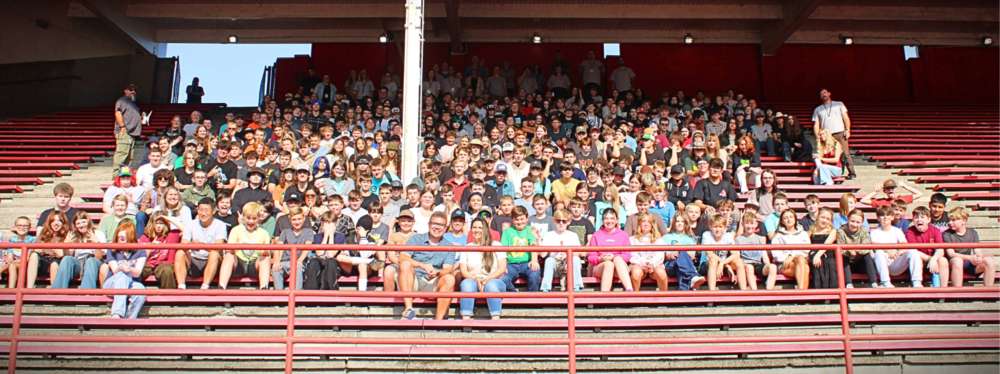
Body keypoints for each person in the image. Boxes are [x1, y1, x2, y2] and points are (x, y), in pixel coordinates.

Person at [399, 211, 456, 320]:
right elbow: (402, 257)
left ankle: (438, 321)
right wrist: (422, 265)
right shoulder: (415, 239)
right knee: (405, 264)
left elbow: (448, 268)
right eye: (435, 224)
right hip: (412, 279)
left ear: (445, 228)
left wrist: (437, 273)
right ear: (429, 225)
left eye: (441, 225)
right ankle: (409, 310)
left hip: (433, 281)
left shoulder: (449, 246)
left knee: (449, 278)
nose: (437, 227)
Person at [459, 217, 507, 320]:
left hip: (494, 280)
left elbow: (502, 268)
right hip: (473, 279)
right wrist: (476, 279)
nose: (477, 230)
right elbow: (463, 271)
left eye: (480, 227)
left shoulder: (496, 245)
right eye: (474, 227)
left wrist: (487, 279)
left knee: (491, 285)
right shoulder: (466, 248)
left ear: (485, 229)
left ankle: (495, 321)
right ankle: (466, 320)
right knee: (466, 284)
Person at [219, 202, 273, 290]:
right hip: (239, 263)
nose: (251, 221)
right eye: (248, 218)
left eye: (254, 218)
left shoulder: (263, 233)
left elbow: (267, 253)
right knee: (229, 256)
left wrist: (264, 251)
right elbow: (228, 250)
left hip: (254, 264)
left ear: (258, 218)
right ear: (243, 217)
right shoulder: (236, 230)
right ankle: (221, 286)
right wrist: (236, 247)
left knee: (265, 259)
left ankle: (264, 287)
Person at [177, 198, 226, 289]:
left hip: (210, 261)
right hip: (194, 259)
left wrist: (202, 245)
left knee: (214, 254)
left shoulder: (220, 225)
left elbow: (218, 247)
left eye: (207, 210)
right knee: (180, 252)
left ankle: (205, 286)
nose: (203, 214)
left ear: (213, 211)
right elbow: (184, 244)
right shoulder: (191, 224)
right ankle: (181, 286)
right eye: (200, 210)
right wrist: (192, 244)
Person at [103, 222, 147, 319]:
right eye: (118, 237)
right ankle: (117, 313)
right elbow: (115, 270)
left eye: (122, 238)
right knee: (123, 275)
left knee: (141, 291)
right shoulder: (112, 249)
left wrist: (129, 269)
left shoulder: (140, 250)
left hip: (132, 283)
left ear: (130, 237)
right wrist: (122, 268)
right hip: (112, 283)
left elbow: (137, 272)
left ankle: (130, 320)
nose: (119, 240)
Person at [871, 205, 922, 288]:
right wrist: (888, 250)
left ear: (892, 217)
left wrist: (898, 253)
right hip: (881, 262)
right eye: (882, 215)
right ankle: (886, 283)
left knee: (913, 250)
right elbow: (874, 246)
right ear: (878, 218)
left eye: (888, 215)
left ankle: (917, 282)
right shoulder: (874, 232)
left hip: (896, 261)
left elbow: (904, 244)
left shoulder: (897, 231)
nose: (885, 217)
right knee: (879, 252)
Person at [52, 212, 105, 289]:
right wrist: (66, 245)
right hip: (79, 261)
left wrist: (97, 243)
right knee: (66, 259)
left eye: (83, 222)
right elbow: (68, 255)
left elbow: (99, 257)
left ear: (88, 221)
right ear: (75, 226)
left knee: (90, 261)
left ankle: (87, 292)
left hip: (94, 262)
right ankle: (58, 291)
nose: (81, 225)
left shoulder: (98, 234)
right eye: (78, 223)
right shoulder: (73, 236)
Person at [943, 207, 994, 287]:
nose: (950, 223)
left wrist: (978, 257)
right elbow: (951, 254)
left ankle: (989, 294)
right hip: (953, 263)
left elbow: (978, 250)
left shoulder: (973, 233)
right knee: (957, 260)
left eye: (953, 220)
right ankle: (957, 295)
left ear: (964, 221)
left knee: (989, 261)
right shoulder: (947, 234)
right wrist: (969, 258)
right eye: (950, 220)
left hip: (968, 262)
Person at [812, 88, 855, 179]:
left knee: (845, 154)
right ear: (820, 97)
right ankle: (834, 171)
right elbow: (816, 125)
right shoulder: (818, 109)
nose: (824, 94)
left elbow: (846, 118)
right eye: (821, 93)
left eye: (825, 92)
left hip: (840, 132)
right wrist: (817, 136)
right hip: (827, 134)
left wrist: (847, 129)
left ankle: (852, 173)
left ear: (829, 93)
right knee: (829, 153)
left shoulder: (839, 104)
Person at [540, 209, 585, 292]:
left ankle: (577, 286)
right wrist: (539, 239)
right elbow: (543, 255)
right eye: (558, 221)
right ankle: (545, 288)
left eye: (564, 221)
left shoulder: (573, 235)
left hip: (568, 266)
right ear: (554, 221)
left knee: (575, 259)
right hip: (555, 266)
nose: (561, 223)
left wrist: (567, 255)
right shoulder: (549, 235)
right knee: (549, 260)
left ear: (568, 222)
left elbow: (578, 253)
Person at [588, 209, 632, 292]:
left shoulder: (623, 234)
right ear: (602, 220)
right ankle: (604, 296)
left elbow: (627, 255)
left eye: (612, 218)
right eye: (606, 218)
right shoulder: (596, 235)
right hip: (601, 266)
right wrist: (600, 258)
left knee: (617, 258)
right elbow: (591, 256)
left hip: (619, 267)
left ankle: (629, 288)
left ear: (616, 220)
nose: (609, 221)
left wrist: (613, 257)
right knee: (609, 264)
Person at [272, 207, 314, 291]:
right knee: (276, 269)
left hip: (300, 262)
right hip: (285, 261)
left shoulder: (308, 231)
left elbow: (307, 247)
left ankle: (296, 294)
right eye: (294, 219)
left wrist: (299, 260)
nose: (297, 222)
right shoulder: (285, 231)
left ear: (304, 218)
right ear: (289, 219)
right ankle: (278, 297)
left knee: (297, 268)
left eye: (299, 219)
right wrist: (276, 261)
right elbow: (278, 246)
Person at [500, 206, 541, 292]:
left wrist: (534, 260)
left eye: (522, 219)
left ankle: (532, 299)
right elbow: (503, 250)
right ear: (512, 220)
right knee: (502, 278)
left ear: (527, 218)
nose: (519, 222)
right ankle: (515, 296)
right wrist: (502, 265)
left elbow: (533, 244)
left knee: (534, 273)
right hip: (510, 264)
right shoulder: (507, 231)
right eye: (516, 219)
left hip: (526, 263)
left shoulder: (530, 229)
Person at [700, 214, 745, 291]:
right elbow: (709, 254)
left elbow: (735, 254)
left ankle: (744, 292)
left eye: (720, 227)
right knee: (713, 261)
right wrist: (726, 265)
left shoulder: (728, 236)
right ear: (710, 227)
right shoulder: (707, 235)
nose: (718, 229)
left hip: (722, 264)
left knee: (739, 262)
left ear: (724, 228)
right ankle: (712, 293)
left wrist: (722, 263)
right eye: (715, 227)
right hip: (707, 264)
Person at [836, 209, 878, 288]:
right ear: (848, 219)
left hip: (860, 262)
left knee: (867, 255)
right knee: (844, 258)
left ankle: (873, 283)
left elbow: (866, 246)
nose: (855, 224)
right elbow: (840, 248)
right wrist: (848, 252)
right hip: (848, 262)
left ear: (862, 223)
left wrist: (856, 250)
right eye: (852, 221)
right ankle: (848, 283)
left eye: (858, 222)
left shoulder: (864, 230)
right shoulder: (841, 231)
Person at [906, 206, 948, 287]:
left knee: (943, 260)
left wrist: (934, 259)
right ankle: (918, 286)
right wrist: (930, 259)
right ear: (913, 220)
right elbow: (913, 251)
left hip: (932, 260)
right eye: (916, 217)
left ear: (929, 219)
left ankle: (943, 291)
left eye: (922, 217)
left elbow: (940, 250)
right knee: (916, 258)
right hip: (918, 260)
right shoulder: (910, 231)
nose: (919, 220)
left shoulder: (935, 230)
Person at [770, 209, 811, 290]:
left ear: (795, 219)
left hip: (800, 261)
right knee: (805, 267)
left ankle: (801, 292)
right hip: (784, 265)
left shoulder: (803, 233)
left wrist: (791, 256)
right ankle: (803, 294)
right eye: (785, 218)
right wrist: (788, 258)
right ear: (782, 221)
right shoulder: (778, 236)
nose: (789, 220)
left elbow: (806, 250)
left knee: (801, 259)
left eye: (791, 217)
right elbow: (776, 255)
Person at [26, 212, 68, 288]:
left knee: (54, 264)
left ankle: (55, 292)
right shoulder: (44, 233)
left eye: (59, 220)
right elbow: (34, 249)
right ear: (50, 222)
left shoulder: (66, 235)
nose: (56, 223)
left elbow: (62, 254)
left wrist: (45, 249)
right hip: (43, 262)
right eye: (53, 221)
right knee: (34, 256)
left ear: (63, 223)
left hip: (57, 262)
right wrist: (51, 250)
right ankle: (29, 288)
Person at [628, 213, 669, 291]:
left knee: (661, 274)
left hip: (654, 265)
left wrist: (652, 264)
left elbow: (660, 254)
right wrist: (642, 263)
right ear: (639, 223)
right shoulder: (632, 239)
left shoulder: (658, 239)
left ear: (652, 224)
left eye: (648, 222)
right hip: (638, 264)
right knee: (636, 273)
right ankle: (634, 298)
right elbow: (632, 255)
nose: (646, 224)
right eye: (643, 221)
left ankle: (664, 298)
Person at [138, 212, 178, 289]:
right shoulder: (145, 238)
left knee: (167, 270)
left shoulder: (172, 235)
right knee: (137, 270)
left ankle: (170, 298)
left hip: (163, 263)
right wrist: (151, 246)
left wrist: (168, 218)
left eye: (161, 223)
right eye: (156, 223)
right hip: (148, 264)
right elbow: (143, 258)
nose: (158, 226)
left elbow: (185, 229)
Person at [736, 212, 776, 290]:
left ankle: (769, 292)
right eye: (747, 223)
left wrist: (767, 265)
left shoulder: (760, 238)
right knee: (750, 267)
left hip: (757, 264)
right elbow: (738, 258)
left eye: (752, 223)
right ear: (743, 224)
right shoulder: (738, 239)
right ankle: (754, 292)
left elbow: (764, 255)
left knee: (773, 267)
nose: (749, 226)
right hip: (746, 264)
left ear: (756, 224)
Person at [114, 84, 146, 174]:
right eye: (130, 89)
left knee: (129, 157)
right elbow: (118, 113)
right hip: (125, 132)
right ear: (125, 90)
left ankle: (124, 175)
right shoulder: (123, 101)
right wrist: (122, 127)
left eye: (134, 90)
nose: (133, 92)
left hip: (132, 134)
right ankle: (116, 176)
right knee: (122, 155)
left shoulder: (133, 103)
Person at [3, 216, 35, 288]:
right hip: (14, 263)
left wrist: (13, 262)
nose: (22, 228)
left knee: (12, 265)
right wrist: (9, 260)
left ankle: (10, 289)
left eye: (25, 226)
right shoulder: (12, 240)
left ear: (29, 227)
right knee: (3, 266)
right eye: (19, 225)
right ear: (15, 227)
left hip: (25, 264)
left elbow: (27, 258)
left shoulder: (31, 240)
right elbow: (10, 256)